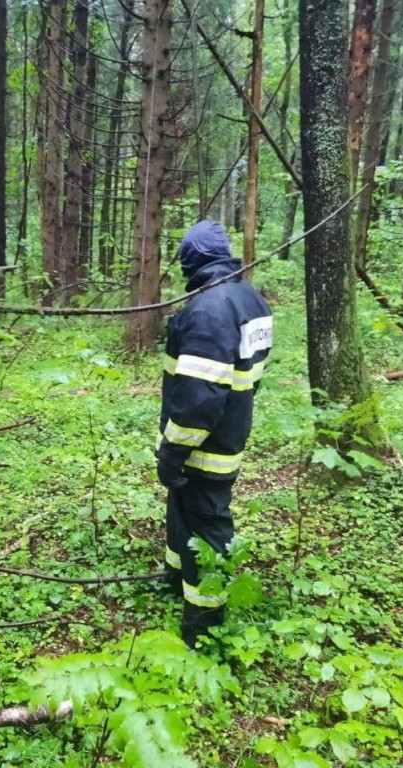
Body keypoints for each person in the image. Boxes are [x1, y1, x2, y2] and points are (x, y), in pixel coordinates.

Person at [155, 220, 273, 647]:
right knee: (182, 509)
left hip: (204, 445)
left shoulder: (207, 310)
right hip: (231, 430)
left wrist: (172, 453)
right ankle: (174, 575)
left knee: (207, 521)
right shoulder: (251, 298)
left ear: (191, 261)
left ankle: (205, 622)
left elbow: (198, 400)